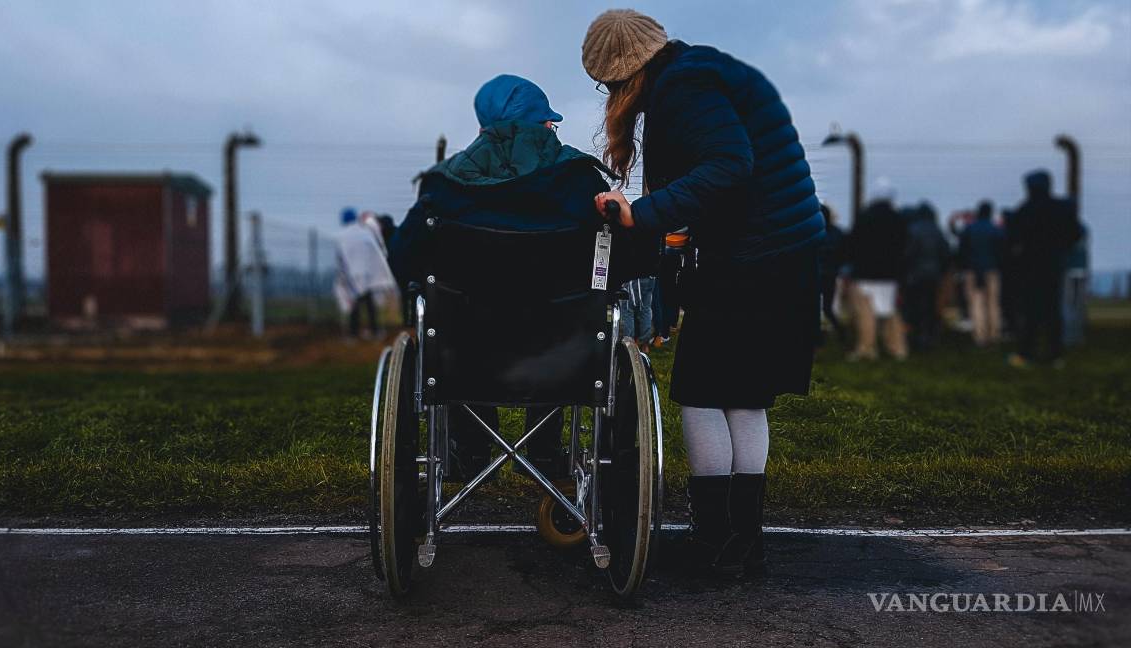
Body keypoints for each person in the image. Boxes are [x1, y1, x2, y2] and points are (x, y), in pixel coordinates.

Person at [582, 9, 824, 577]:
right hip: (784, 252)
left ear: (626, 74)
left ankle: (713, 537)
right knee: (743, 395)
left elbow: (729, 164)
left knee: (700, 392)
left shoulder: (684, 87)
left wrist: (640, 214)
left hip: (753, 256)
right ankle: (743, 540)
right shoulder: (702, 71)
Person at [388, 74, 646, 481]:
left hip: (464, 355)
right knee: (560, 321)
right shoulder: (581, 181)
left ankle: (470, 450)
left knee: (459, 324)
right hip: (563, 356)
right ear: (545, 125)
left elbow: (403, 261)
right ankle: (544, 452)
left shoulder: (443, 186)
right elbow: (628, 261)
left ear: (483, 128)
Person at [1007, 170, 1083, 367]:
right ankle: (1055, 354)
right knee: (1053, 311)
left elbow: (1012, 238)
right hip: (1054, 264)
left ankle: (1026, 352)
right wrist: (1061, 248)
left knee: (1030, 311)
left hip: (1030, 266)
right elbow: (1076, 234)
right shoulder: (1062, 209)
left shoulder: (1024, 210)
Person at [846, 183, 908, 360]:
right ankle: (897, 348)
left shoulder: (864, 217)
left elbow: (853, 245)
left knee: (866, 312)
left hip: (865, 273)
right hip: (890, 274)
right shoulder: (898, 219)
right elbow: (904, 246)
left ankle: (867, 348)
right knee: (890, 311)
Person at [335, 208, 396, 340]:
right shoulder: (365, 232)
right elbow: (377, 251)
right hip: (369, 274)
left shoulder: (341, 237)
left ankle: (353, 334)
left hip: (353, 275)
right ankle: (376, 331)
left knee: (355, 305)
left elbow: (340, 258)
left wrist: (343, 277)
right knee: (369, 304)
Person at [900, 202, 950, 351]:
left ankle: (916, 337)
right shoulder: (937, 230)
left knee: (914, 307)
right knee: (930, 307)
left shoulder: (912, 229)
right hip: (933, 275)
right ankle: (929, 337)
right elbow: (945, 253)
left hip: (915, 276)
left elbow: (907, 254)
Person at [958, 201, 1004, 346]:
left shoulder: (969, 229)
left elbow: (962, 250)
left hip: (972, 270)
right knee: (993, 303)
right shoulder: (996, 229)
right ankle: (994, 334)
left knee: (976, 304)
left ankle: (980, 337)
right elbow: (1002, 251)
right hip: (992, 270)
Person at [817, 204, 846, 344]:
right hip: (831, 274)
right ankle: (842, 334)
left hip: (814, 275)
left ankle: (819, 337)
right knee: (828, 308)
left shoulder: (812, 233)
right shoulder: (838, 233)